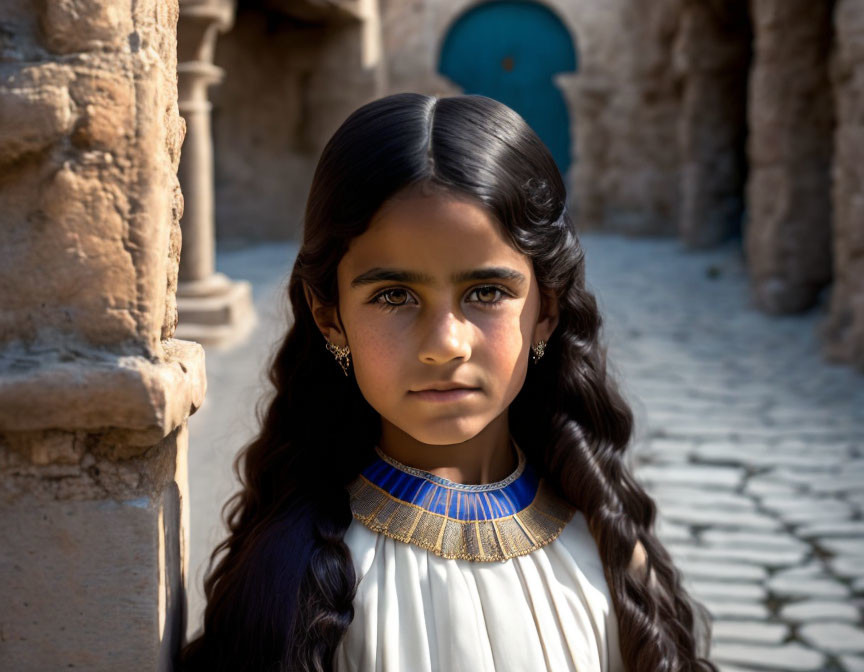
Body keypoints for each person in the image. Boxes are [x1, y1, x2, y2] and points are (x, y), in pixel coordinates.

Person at [177, 92, 715, 672]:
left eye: (486, 293)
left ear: (547, 309)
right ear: (330, 316)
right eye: (393, 296)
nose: (444, 345)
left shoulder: (608, 547)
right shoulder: (301, 584)